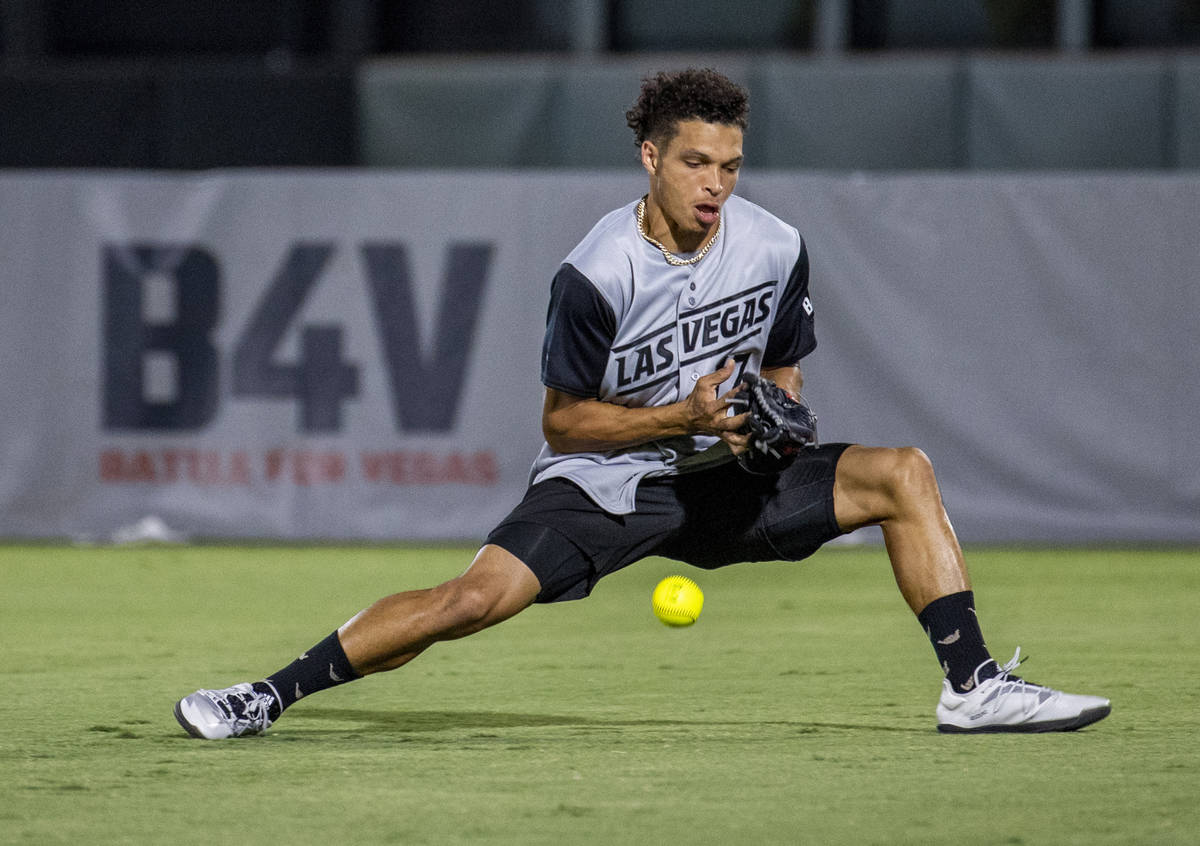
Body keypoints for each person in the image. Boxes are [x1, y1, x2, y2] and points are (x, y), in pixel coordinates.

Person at [174, 67, 1110, 739]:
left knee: (902, 473)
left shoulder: (775, 246)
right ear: (650, 158)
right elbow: (563, 421)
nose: (717, 184)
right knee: (470, 600)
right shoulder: (595, 273)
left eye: (732, 165)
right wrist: (683, 420)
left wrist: (771, 420)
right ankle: (265, 695)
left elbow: (785, 367)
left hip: (725, 478)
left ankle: (972, 684)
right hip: (609, 474)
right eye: (697, 162)